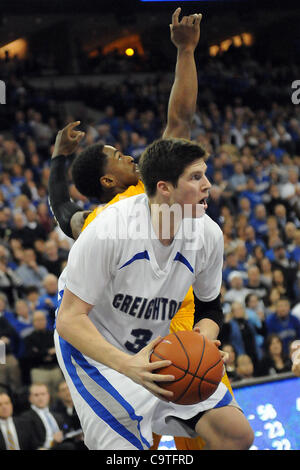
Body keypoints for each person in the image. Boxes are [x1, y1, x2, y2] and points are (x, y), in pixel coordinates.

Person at [48, 10, 244, 451]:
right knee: (142, 446)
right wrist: (60, 162)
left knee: (223, 436)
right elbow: (64, 210)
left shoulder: (165, 190)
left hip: (179, 325)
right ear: (108, 181)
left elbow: (181, 124)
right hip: (124, 338)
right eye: (117, 155)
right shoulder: (105, 221)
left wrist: (187, 53)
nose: (128, 155)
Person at [54, 134, 254, 450]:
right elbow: (68, 320)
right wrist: (127, 365)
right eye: (196, 177)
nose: (208, 185)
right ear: (164, 188)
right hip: (95, 354)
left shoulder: (208, 234)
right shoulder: (109, 229)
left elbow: (209, 307)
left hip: (156, 350)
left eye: (205, 174)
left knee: (236, 434)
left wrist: (202, 338)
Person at [21, 383, 76, 450]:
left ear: (48, 396)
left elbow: (66, 426)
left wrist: (63, 432)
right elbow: (30, 441)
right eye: (36, 395)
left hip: (62, 444)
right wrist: (52, 442)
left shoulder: (56, 414)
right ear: (30, 398)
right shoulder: (26, 418)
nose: (40, 397)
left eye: (43, 394)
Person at [24, 310, 63, 397]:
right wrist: (49, 352)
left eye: (42, 319)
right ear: (33, 322)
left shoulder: (53, 334)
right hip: (39, 371)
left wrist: (41, 353)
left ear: (46, 320)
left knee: (59, 396)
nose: (40, 322)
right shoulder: (29, 338)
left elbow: (59, 351)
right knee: (41, 397)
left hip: (55, 369)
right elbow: (31, 356)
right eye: (37, 320)